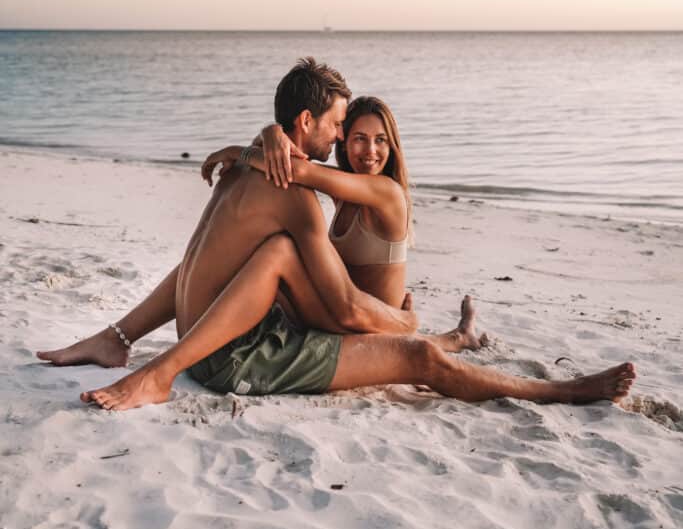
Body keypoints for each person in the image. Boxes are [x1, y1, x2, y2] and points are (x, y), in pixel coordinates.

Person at [37, 58, 636, 410]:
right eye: (339, 125)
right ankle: (563, 391)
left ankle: (122, 340)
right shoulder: (295, 198)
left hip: (217, 328)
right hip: (234, 355)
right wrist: (403, 323)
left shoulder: (253, 172)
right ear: (309, 123)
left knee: (274, 255)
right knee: (418, 352)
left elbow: (300, 180)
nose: (347, 136)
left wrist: (261, 139)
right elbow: (349, 310)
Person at [200, 94, 487, 352]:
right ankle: (457, 336)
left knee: (279, 253)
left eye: (381, 140)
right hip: (347, 318)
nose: (370, 150)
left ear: (392, 146)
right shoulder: (345, 192)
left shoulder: (386, 192)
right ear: (344, 141)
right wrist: (271, 132)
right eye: (360, 138)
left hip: (373, 327)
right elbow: (293, 165)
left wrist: (237, 152)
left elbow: (295, 169)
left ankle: (458, 337)